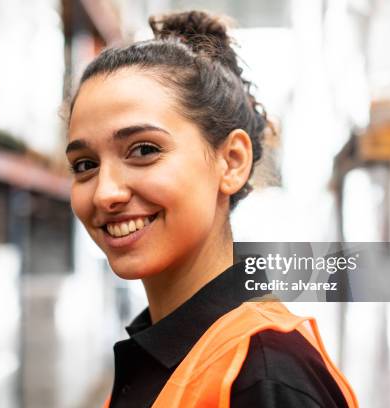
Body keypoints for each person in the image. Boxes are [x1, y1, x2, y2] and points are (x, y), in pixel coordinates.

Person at [65, 10, 358, 408]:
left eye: (144, 150)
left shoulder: (263, 375)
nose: (105, 193)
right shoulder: (164, 352)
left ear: (231, 162)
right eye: (85, 165)